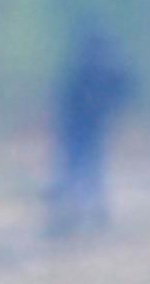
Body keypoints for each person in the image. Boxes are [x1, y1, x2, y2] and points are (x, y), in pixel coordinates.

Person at [50, 23, 135, 235]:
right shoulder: (107, 64)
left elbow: (66, 94)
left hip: (81, 122)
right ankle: (89, 208)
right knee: (89, 164)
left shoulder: (84, 63)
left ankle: (77, 209)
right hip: (90, 122)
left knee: (78, 163)